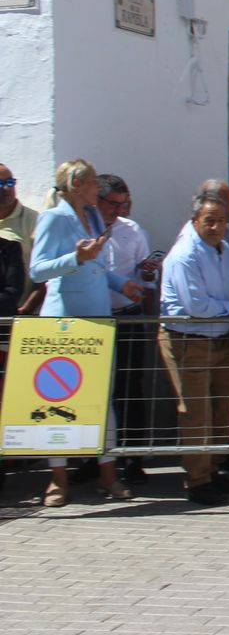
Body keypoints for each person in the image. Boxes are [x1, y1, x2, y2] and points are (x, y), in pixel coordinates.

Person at [29, 159, 143, 505]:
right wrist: (74, 259)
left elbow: (95, 265)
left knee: (100, 398)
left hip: (96, 317)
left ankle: (107, 475)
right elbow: (37, 270)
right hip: (66, 320)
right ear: (76, 184)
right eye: (93, 182)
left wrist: (121, 282)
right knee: (58, 398)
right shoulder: (54, 217)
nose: (98, 188)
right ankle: (58, 479)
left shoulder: (93, 217)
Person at [160, 189, 229, 506]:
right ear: (195, 220)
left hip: (220, 338)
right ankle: (197, 480)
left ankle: (212, 468)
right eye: (209, 221)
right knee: (196, 412)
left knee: (224, 407)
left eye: (221, 221)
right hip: (189, 340)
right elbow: (195, 305)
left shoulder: (225, 249)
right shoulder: (185, 254)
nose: (215, 227)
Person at [97, 173, 159, 476]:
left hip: (128, 317)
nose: (119, 210)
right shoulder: (83, 229)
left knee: (130, 387)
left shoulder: (132, 231)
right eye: (113, 204)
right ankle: (91, 459)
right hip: (94, 319)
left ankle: (132, 456)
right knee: (95, 390)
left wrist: (148, 273)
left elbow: (147, 278)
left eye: (124, 203)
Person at [0, 160, 42, 314]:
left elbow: (45, 277)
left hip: (20, 316)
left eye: (10, 182)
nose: (6, 188)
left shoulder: (34, 220)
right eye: (0, 183)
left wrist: (26, 309)